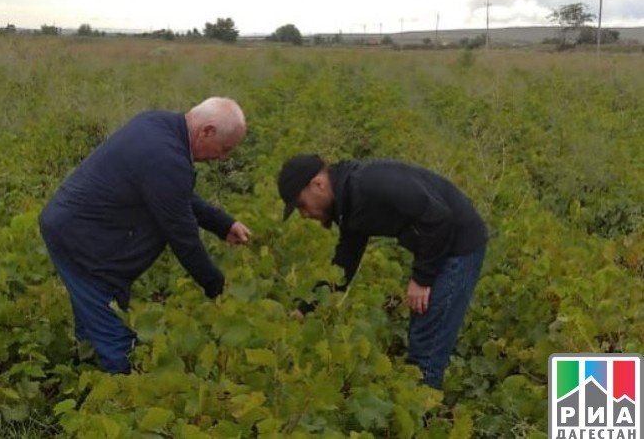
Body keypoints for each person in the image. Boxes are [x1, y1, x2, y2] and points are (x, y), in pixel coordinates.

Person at [39, 97, 252, 374]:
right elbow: (182, 235)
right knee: (114, 332)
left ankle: (87, 370)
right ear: (207, 131)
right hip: (82, 241)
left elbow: (174, 195)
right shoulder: (166, 156)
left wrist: (223, 224)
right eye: (224, 149)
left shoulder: (159, 125)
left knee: (96, 317)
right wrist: (217, 287)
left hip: (78, 228)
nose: (222, 158)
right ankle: (121, 398)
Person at [277, 154, 488, 389]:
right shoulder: (348, 203)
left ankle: (425, 409)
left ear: (318, 184)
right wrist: (306, 307)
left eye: (301, 205)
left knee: (428, 340)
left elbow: (438, 217)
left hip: (458, 245)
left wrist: (421, 279)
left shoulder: (371, 184)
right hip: (438, 243)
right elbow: (344, 265)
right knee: (423, 327)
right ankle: (421, 395)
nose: (304, 215)